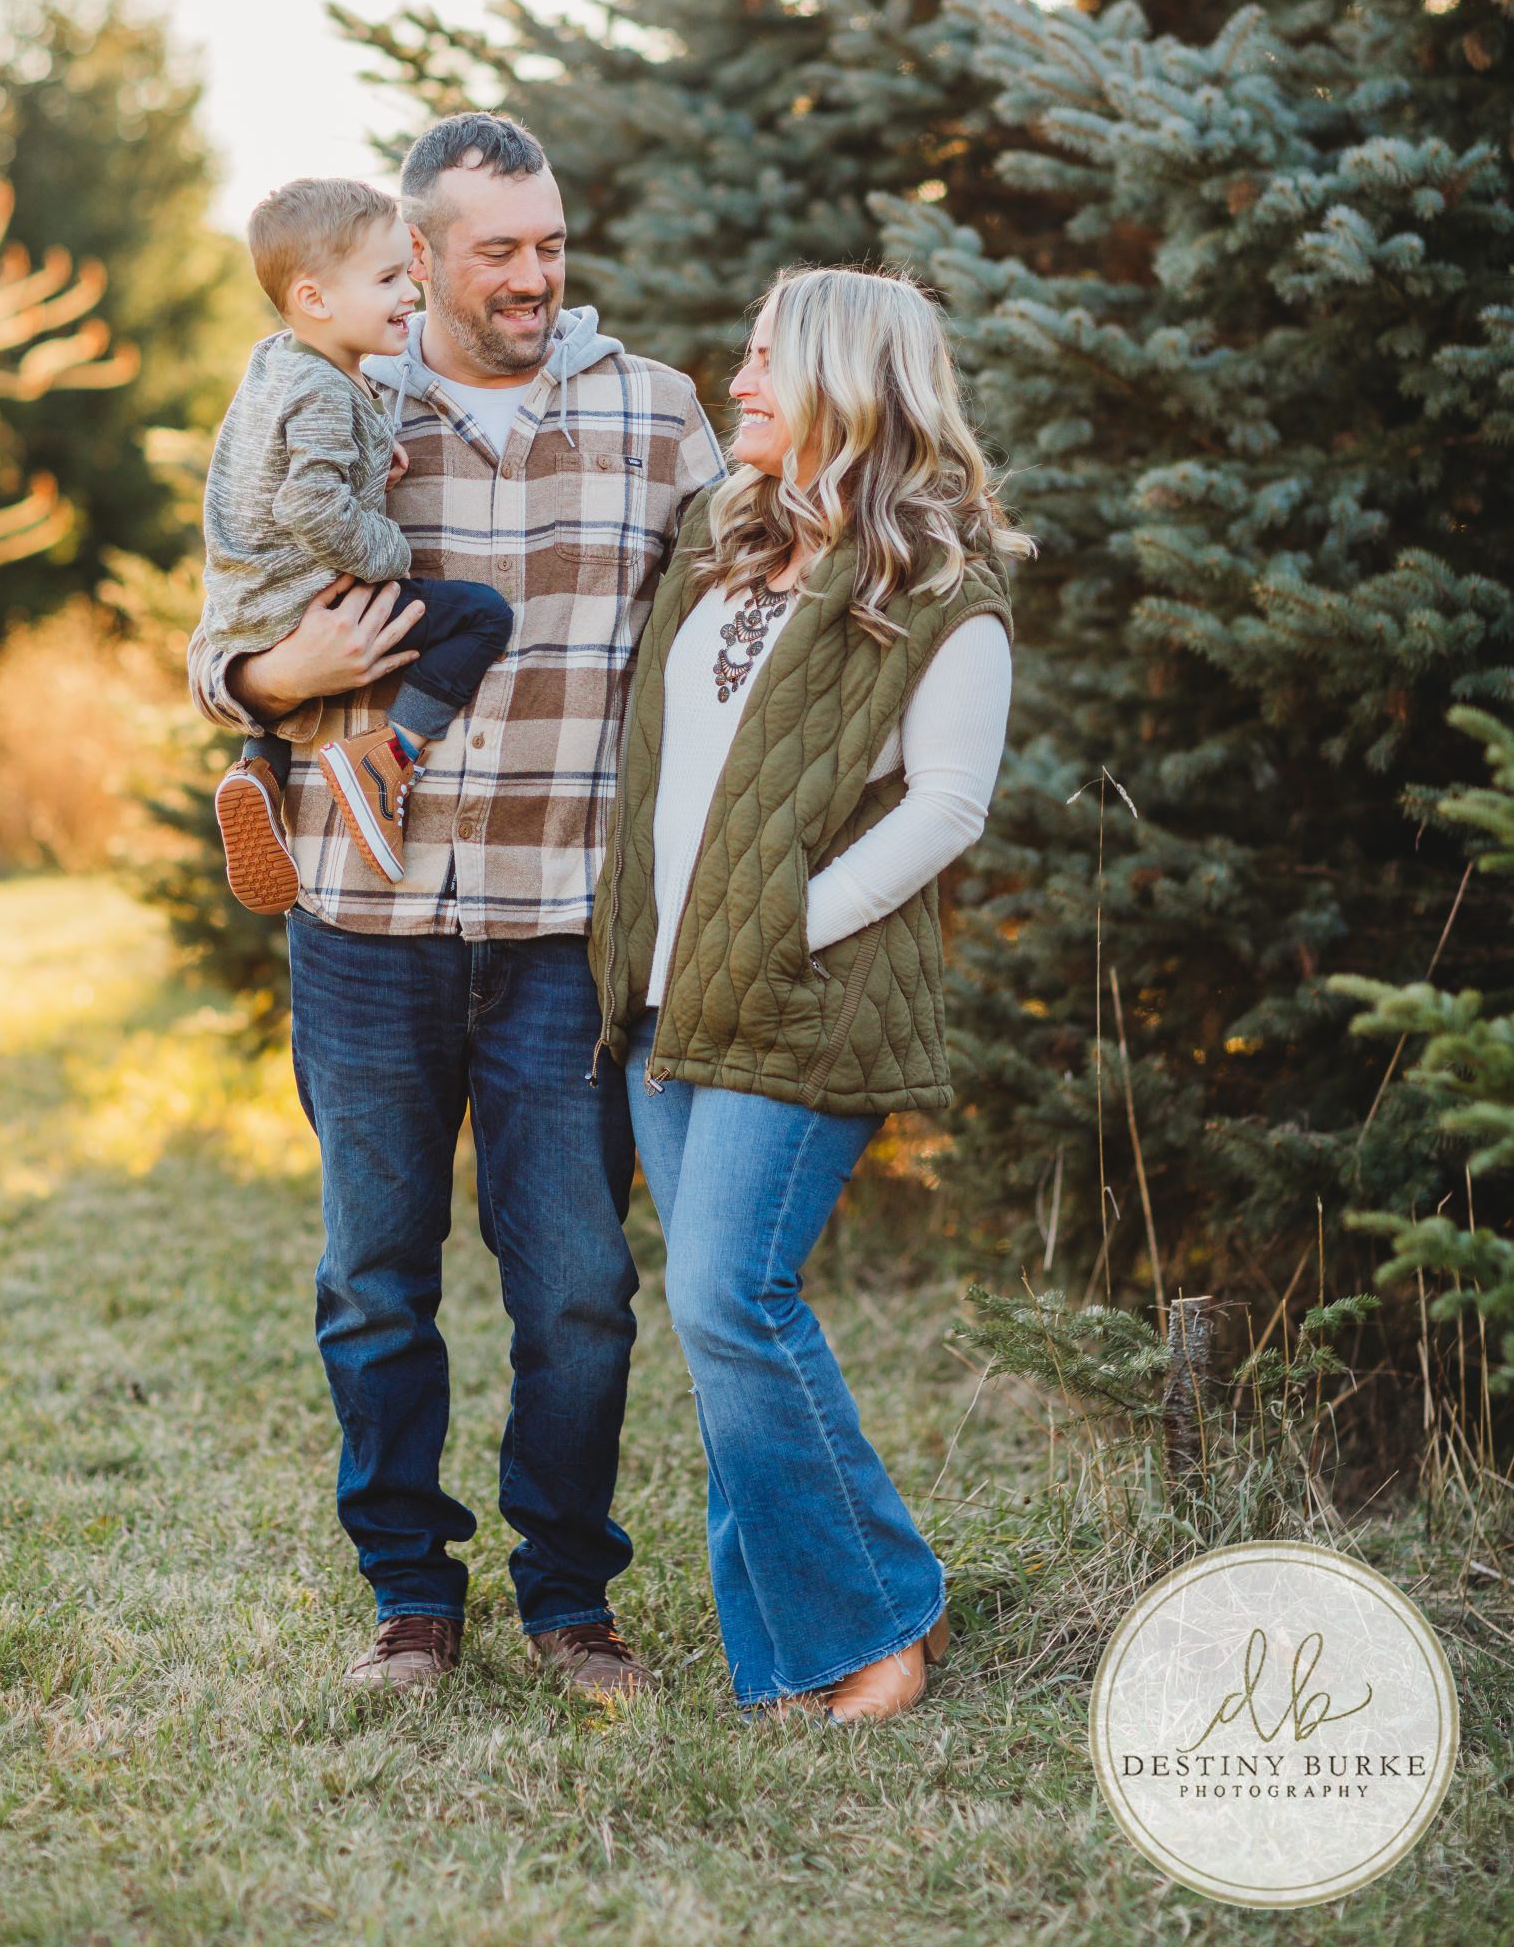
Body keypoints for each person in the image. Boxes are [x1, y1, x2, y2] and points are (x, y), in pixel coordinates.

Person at [187, 113, 725, 1696]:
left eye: (549, 243)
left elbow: (753, 608)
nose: (532, 276)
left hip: (564, 930)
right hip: (364, 923)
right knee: (373, 1275)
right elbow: (218, 625)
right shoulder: (336, 392)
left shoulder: (652, 413)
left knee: (575, 1288)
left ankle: (568, 1599)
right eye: (497, 250)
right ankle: (409, 1599)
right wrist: (269, 679)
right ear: (410, 259)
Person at [590, 265, 1032, 1724]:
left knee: (731, 1294)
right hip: (662, 994)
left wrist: (788, 928)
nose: (736, 380)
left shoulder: (939, 592)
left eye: (767, 359)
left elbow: (949, 807)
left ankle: (881, 1623)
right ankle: (785, 1653)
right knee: (718, 1325)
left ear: (847, 377)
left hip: (805, 997)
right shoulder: (719, 547)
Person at [205, 177, 513, 912]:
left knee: (296, 683)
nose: (410, 289)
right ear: (315, 299)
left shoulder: (279, 361)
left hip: (246, 601)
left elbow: (292, 464)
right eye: (386, 278)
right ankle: (387, 756)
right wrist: (388, 550)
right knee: (480, 615)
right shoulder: (326, 391)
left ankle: (260, 769)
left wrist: (373, 458)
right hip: (305, 594)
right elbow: (309, 502)